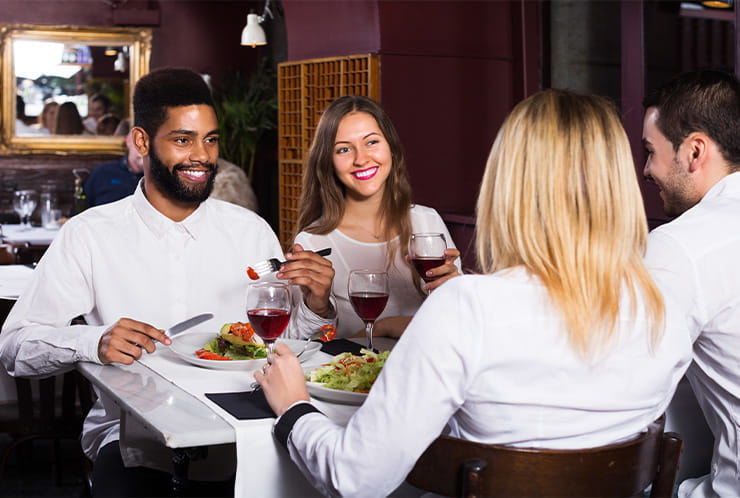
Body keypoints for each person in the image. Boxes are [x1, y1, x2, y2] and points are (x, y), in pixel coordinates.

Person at [255, 89, 692, 496]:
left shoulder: (467, 306)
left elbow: (355, 478)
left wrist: (294, 407)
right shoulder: (667, 307)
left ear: (507, 181)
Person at [0, 67, 336, 497]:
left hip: (247, 436)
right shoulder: (89, 234)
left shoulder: (251, 231)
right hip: (132, 443)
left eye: (210, 139)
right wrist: (94, 341)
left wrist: (317, 305)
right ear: (142, 142)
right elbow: (15, 347)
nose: (202, 155)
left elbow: (288, 344)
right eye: (183, 140)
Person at [642, 70, 740, 498]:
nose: (646, 170)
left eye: (650, 151)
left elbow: (619, 375)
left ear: (695, 150)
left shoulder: (679, 245)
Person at [294, 95, 461, 339]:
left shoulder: (428, 221)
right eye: (343, 149)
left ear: (391, 147)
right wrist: (384, 327)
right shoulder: (313, 242)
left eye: (371, 142)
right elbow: (305, 347)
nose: (361, 159)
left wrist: (454, 289)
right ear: (328, 162)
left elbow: (460, 320)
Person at [84, 132, 144, 207]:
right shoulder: (102, 173)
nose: (145, 148)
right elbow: (80, 213)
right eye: (141, 141)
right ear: (129, 141)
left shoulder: (159, 178)